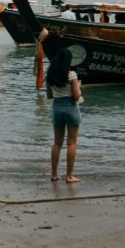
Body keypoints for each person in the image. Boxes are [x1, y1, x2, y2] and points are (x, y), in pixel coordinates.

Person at [45, 47, 82, 183]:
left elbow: (49, 95)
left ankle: (54, 174)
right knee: (71, 143)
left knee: (57, 143)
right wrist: (78, 86)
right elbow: (77, 96)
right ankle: (69, 176)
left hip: (57, 107)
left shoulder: (50, 75)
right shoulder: (71, 75)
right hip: (71, 108)